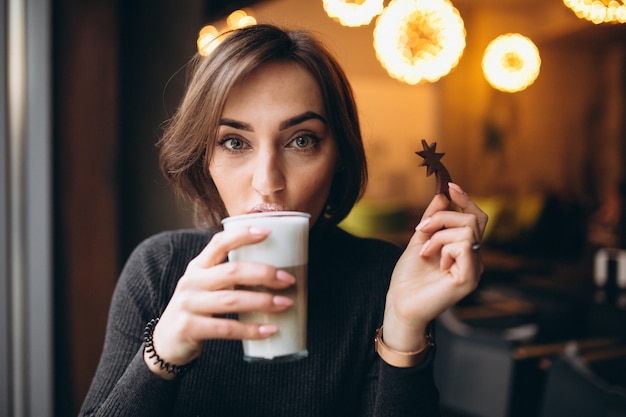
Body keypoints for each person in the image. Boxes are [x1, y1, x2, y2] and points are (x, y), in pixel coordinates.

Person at [79, 24, 487, 417]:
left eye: (301, 140)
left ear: (338, 158)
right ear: (206, 159)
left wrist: (403, 324)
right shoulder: (160, 269)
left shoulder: (383, 278)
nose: (267, 182)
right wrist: (162, 354)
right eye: (234, 142)